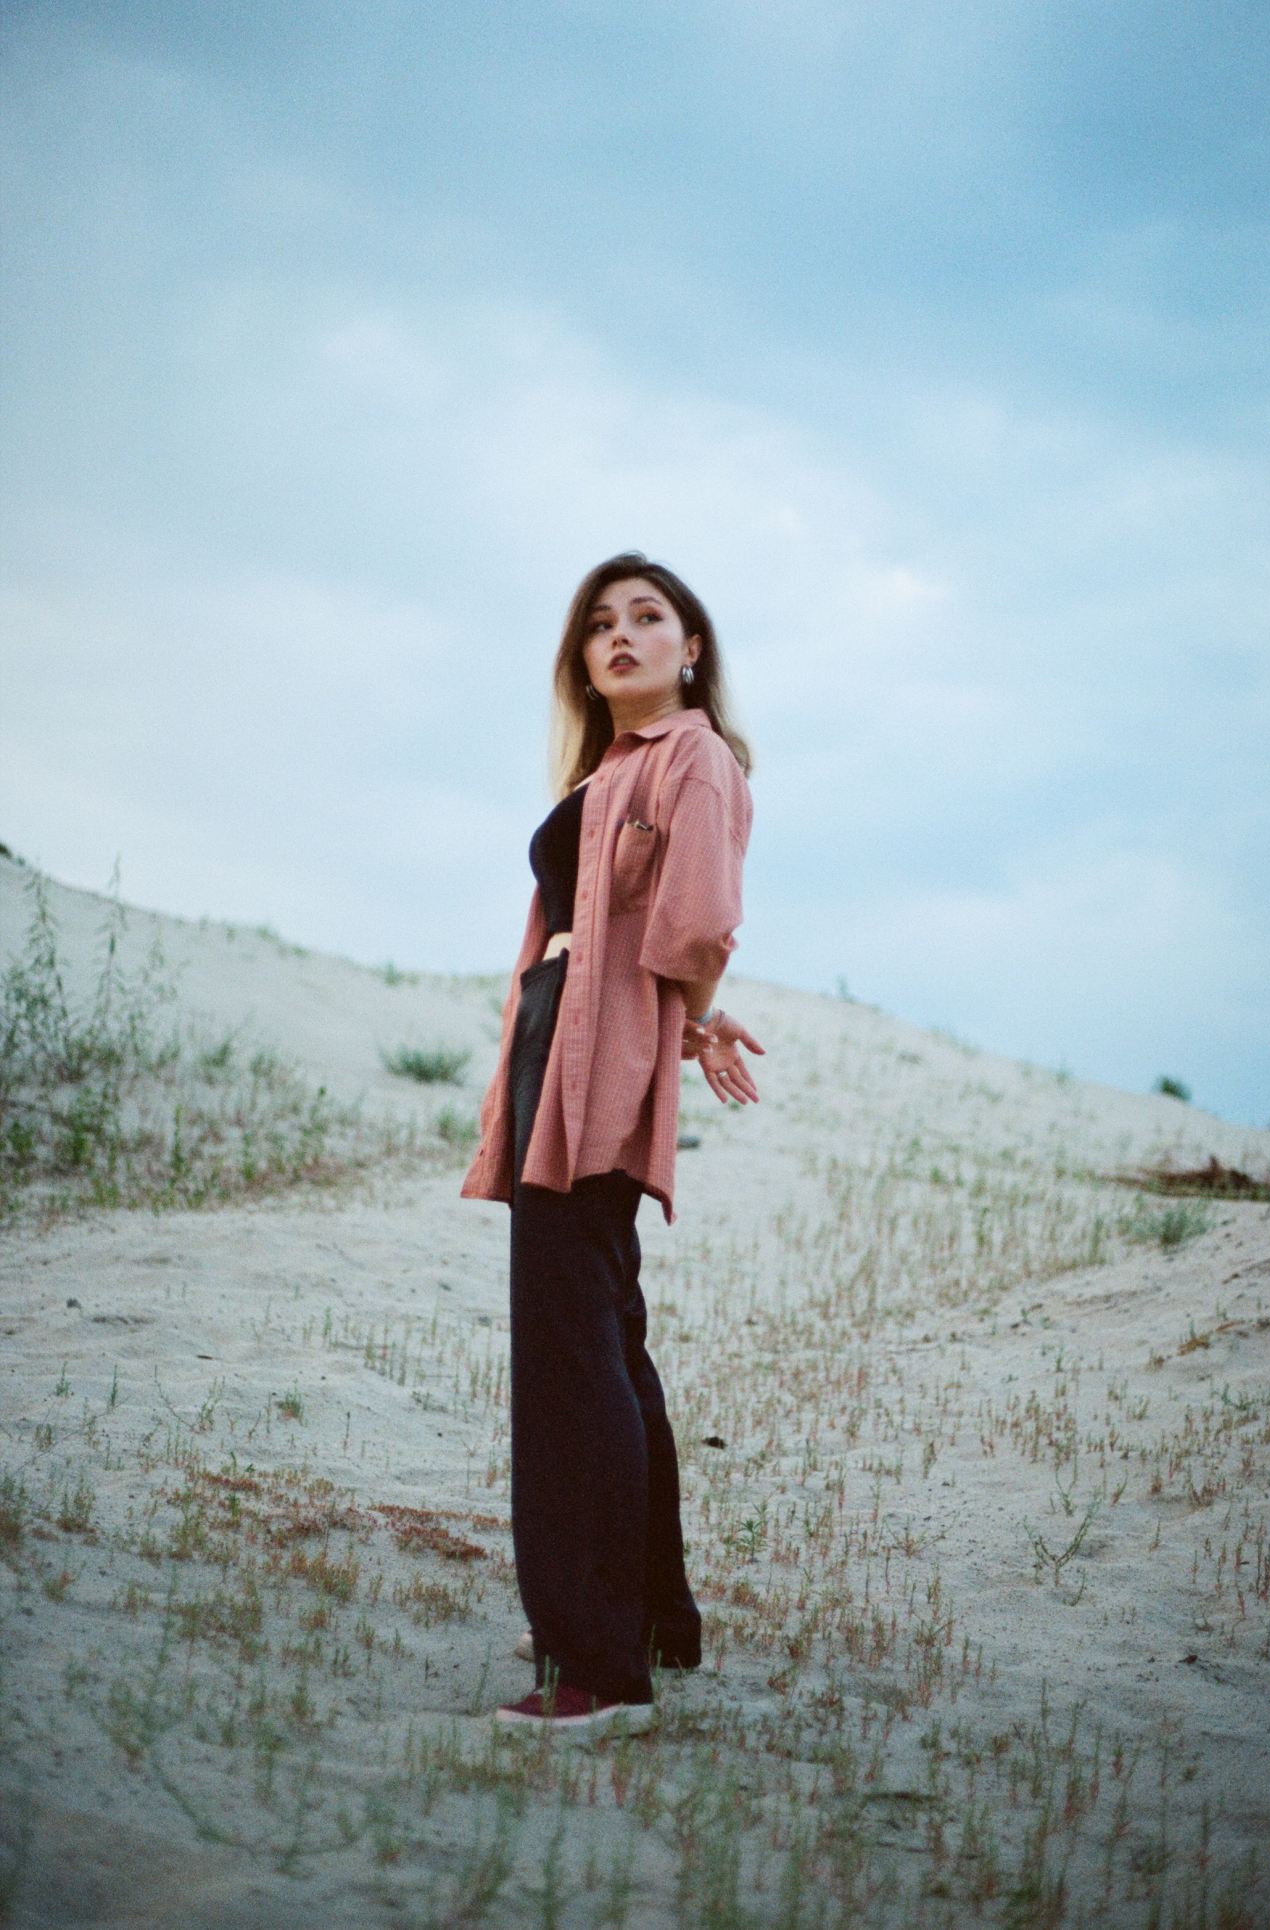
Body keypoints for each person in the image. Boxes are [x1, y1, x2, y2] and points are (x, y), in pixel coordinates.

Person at [460, 551, 763, 1738]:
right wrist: (679, 1015)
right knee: (606, 1341)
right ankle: (651, 1623)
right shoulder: (612, 766)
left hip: (585, 1069)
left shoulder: (692, 753)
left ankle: (591, 1666)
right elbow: (651, 927)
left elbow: (692, 917)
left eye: (649, 617)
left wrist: (679, 1004)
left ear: (691, 649)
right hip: (564, 1053)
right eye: (599, 625)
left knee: (569, 1361)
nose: (621, 635)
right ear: (581, 663)